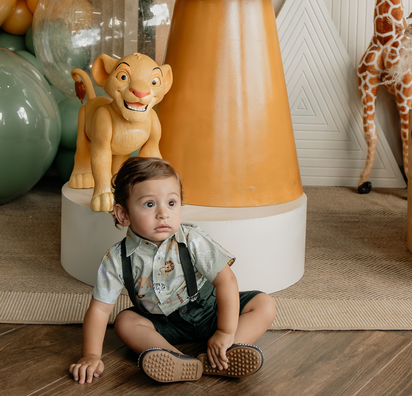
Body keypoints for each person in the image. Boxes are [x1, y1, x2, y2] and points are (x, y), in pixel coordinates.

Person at [69, 157, 278, 384]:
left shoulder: (191, 239)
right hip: (163, 324)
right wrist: (91, 355)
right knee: (125, 322)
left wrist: (225, 331)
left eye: (171, 203)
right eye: (150, 204)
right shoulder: (116, 259)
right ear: (123, 215)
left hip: (209, 312)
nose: (163, 213)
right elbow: (100, 310)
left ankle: (227, 350)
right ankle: (176, 359)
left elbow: (226, 281)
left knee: (264, 303)